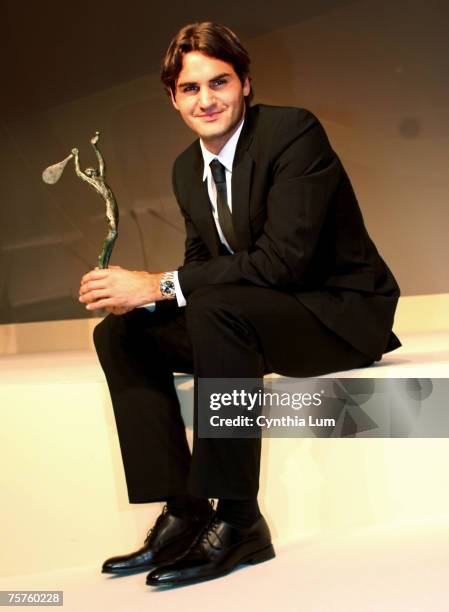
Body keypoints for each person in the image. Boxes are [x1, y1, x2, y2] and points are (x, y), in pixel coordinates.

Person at [79, 21, 401, 588]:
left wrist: (157, 284)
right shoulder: (186, 169)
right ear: (173, 98)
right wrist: (136, 298)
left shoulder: (292, 132)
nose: (206, 100)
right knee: (121, 334)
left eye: (219, 82)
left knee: (211, 309)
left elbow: (286, 261)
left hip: (336, 314)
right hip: (254, 316)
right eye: (190, 88)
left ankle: (240, 521)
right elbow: (202, 265)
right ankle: (185, 511)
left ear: (246, 83)